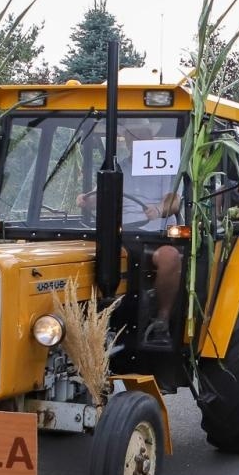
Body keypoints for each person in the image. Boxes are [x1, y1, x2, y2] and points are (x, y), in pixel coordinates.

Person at [76, 117, 184, 343]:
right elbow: (99, 196)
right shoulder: (120, 167)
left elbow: (173, 201)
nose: (131, 141)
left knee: (170, 257)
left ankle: (162, 320)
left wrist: (159, 208)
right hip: (118, 232)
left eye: (138, 136)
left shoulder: (165, 165)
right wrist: (86, 200)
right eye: (128, 137)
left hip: (154, 234)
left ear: (149, 138)